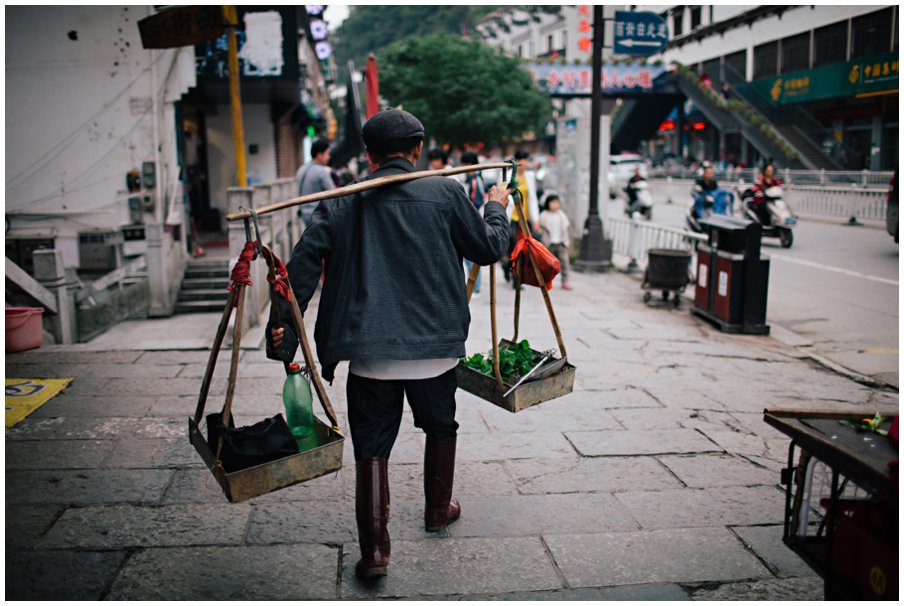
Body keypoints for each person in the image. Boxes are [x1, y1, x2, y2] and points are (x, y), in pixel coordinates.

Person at [267, 108, 512, 579]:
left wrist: (283, 333)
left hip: (369, 352)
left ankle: (375, 553)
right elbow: (488, 246)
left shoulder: (341, 200)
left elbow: (299, 270)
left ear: (369, 155)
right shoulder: (446, 192)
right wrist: (497, 206)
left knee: (371, 448)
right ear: (417, 150)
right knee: (441, 426)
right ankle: (438, 508)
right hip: (435, 351)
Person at [504, 149, 541, 286]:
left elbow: (533, 199)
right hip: (511, 218)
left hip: (524, 219)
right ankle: (510, 271)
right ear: (516, 162)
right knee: (514, 247)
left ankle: (516, 276)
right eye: (521, 160)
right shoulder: (508, 176)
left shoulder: (529, 176)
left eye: (526, 160)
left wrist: (535, 219)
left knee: (524, 249)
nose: (524, 163)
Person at [460, 151, 486, 297]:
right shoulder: (470, 180)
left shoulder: (475, 181)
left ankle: (475, 288)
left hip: (472, 223)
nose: (464, 166)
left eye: (466, 163)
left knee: (471, 257)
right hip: (470, 222)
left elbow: (475, 204)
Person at [295, 139, 335, 229]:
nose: (329, 157)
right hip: (317, 214)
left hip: (303, 212)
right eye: (327, 153)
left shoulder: (302, 169)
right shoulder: (321, 171)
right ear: (319, 154)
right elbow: (334, 193)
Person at [538, 194, 572, 290]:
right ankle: (546, 281)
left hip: (561, 243)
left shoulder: (561, 215)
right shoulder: (544, 215)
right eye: (553, 202)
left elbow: (566, 227)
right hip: (548, 244)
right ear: (548, 203)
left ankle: (565, 281)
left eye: (557, 202)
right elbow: (540, 229)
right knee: (548, 265)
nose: (555, 205)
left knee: (565, 263)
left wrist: (566, 241)